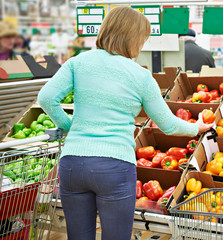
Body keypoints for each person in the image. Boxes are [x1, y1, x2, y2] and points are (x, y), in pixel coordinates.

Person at [37, 7, 213, 240]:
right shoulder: (139, 76)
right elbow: (168, 125)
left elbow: (47, 98)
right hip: (114, 166)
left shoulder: (78, 62)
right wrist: (197, 127)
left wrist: (70, 126)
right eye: (143, 40)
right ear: (134, 39)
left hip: (73, 164)